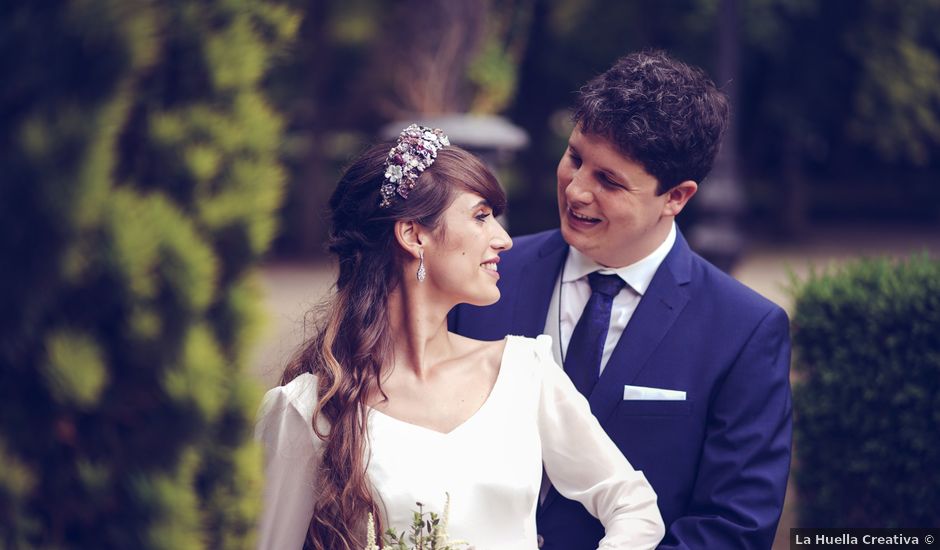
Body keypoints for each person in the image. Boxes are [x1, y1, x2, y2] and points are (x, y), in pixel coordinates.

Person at [255, 124, 665, 550]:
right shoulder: (308, 408)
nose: (503, 239)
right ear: (414, 235)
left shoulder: (525, 373)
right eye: (481, 216)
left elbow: (633, 507)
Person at [450, 51, 792, 549]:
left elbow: (732, 527)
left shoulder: (745, 331)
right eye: (575, 158)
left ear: (676, 197)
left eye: (609, 180)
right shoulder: (479, 278)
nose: (577, 189)